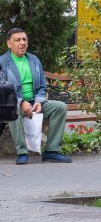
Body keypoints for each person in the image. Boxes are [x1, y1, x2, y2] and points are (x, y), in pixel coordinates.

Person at [0, 28, 71, 165]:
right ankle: (22, 152)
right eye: (18, 40)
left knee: (60, 107)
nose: (22, 43)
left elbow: (43, 86)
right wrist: (21, 102)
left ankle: (52, 151)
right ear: (9, 44)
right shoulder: (3, 62)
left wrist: (39, 100)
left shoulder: (33, 60)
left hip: (34, 102)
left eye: (24, 39)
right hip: (13, 103)